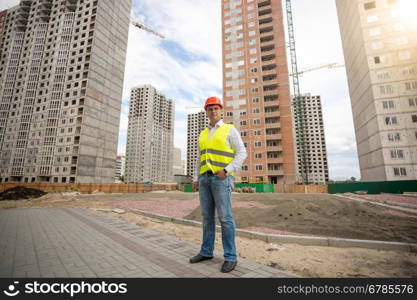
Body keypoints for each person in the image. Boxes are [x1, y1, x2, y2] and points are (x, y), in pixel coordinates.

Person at [189, 96, 247, 273]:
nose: (213, 111)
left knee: (225, 218)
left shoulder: (230, 130)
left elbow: (241, 153)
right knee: (207, 218)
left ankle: (230, 257)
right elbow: (200, 157)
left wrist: (227, 170)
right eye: (210, 108)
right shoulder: (203, 133)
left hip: (222, 179)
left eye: (216, 108)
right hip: (205, 179)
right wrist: (195, 178)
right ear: (206, 111)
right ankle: (206, 252)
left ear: (221, 110)